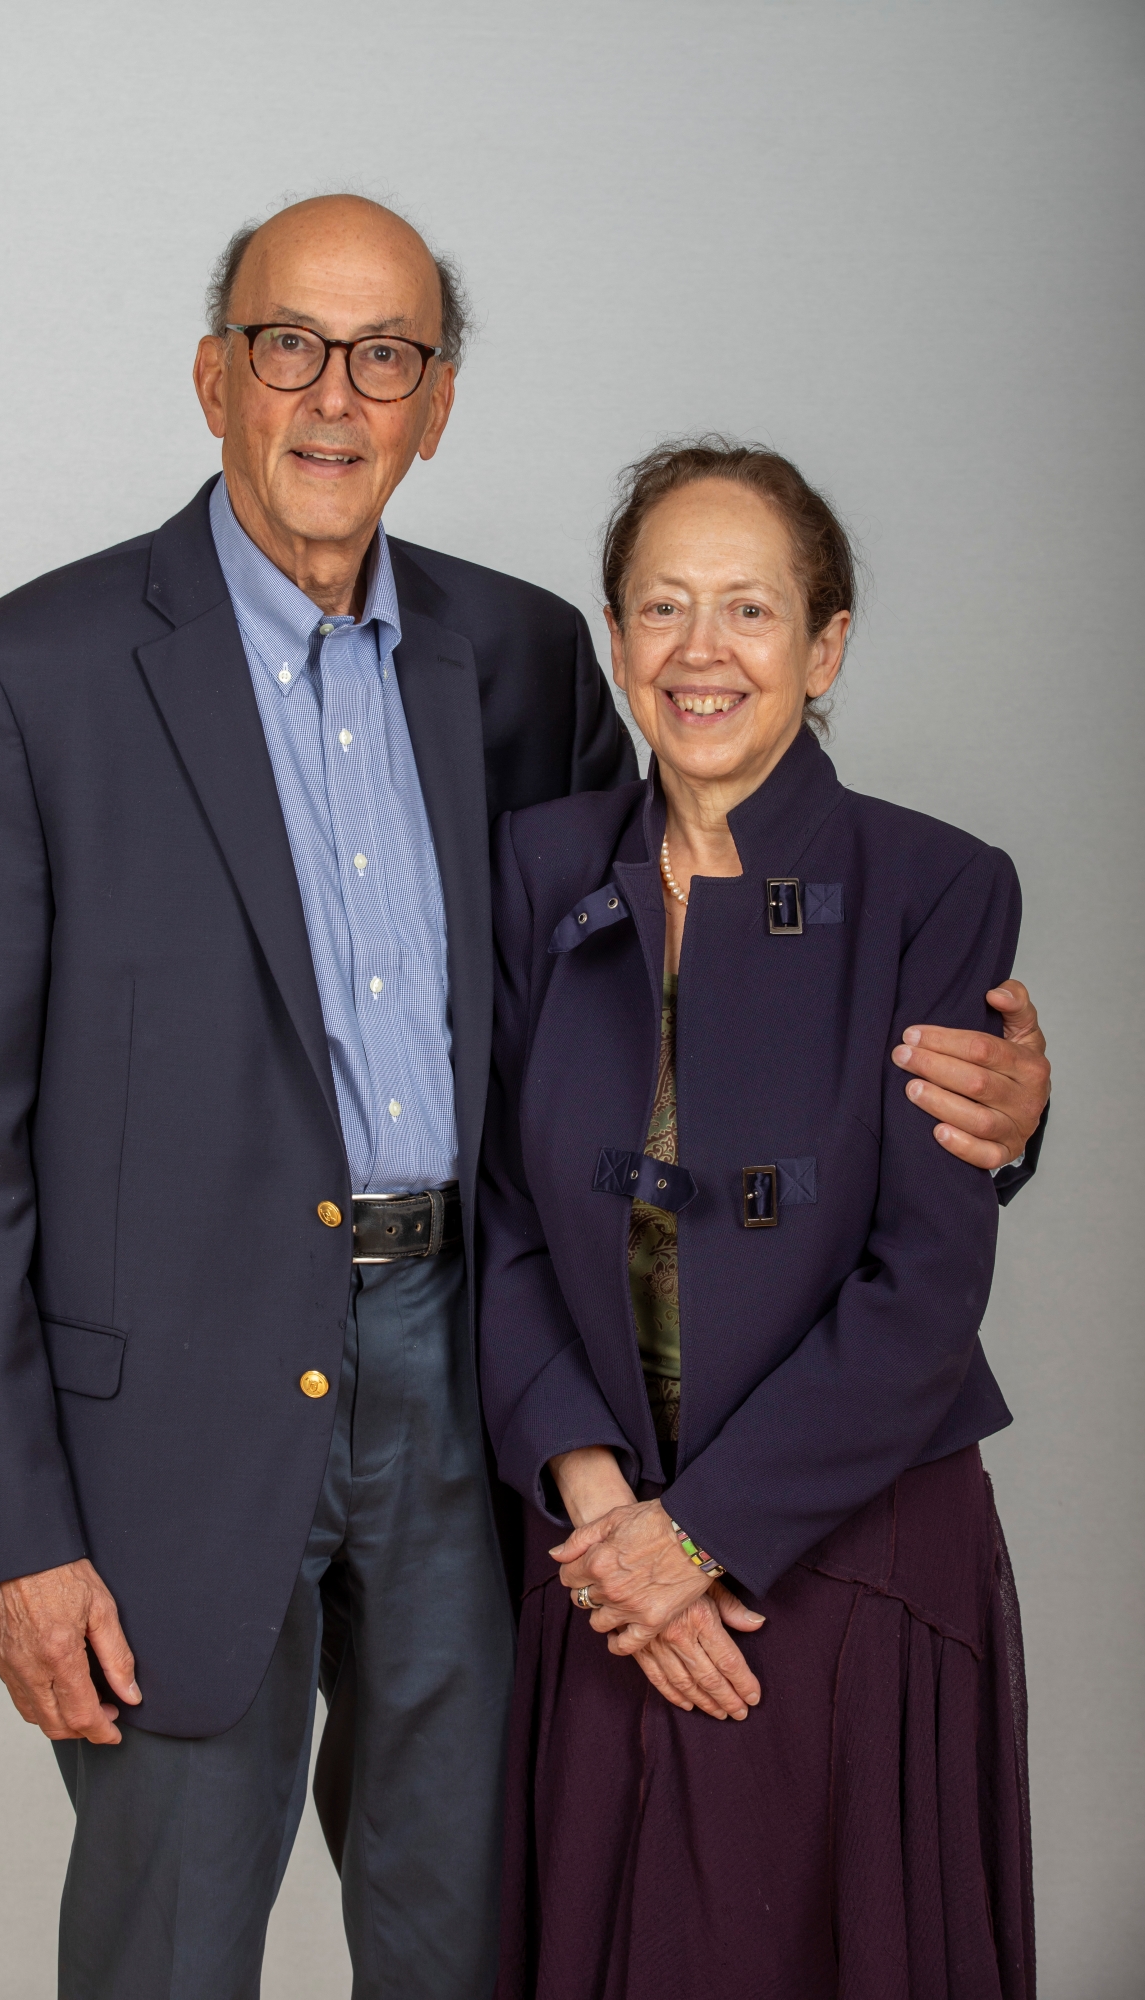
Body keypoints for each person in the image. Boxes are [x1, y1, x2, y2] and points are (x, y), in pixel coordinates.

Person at [0, 196, 1049, 2000]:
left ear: (439, 407)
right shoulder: (28, 683)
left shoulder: (517, 666)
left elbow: (680, 1023)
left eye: (389, 355)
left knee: (471, 1934)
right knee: (169, 1945)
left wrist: (990, 1107)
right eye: (289, 343)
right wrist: (10, 1533)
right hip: (174, 1424)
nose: (335, 394)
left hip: (476, 1380)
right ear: (214, 376)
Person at [479, 440, 1040, 1999]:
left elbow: (922, 1281)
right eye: (662, 608)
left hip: (845, 1555)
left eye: (747, 609)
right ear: (614, 642)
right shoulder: (533, 871)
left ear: (825, 643)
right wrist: (609, 1525)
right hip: (592, 1558)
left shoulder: (936, 885)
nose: (700, 652)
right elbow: (507, 1223)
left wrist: (705, 1540)